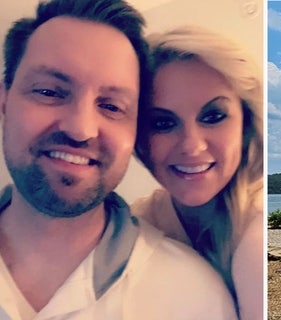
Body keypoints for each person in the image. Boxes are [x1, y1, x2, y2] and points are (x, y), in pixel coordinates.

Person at [0, 0, 236, 319]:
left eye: (112, 107)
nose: (81, 129)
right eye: (49, 92)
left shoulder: (194, 297)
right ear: (5, 99)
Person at [132, 25, 263, 319]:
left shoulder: (257, 225)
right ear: (139, 138)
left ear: (246, 124)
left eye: (213, 116)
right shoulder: (136, 224)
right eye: (163, 123)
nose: (192, 146)